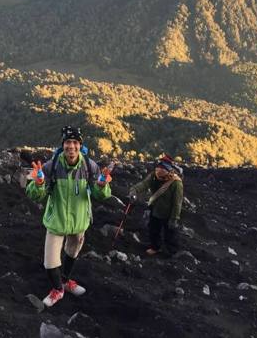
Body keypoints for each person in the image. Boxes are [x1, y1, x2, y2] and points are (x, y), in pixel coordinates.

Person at [25, 126, 112, 308]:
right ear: (62, 145)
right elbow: (35, 195)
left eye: (75, 142)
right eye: (67, 142)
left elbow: (99, 195)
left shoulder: (89, 166)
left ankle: (65, 280)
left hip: (79, 221)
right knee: (50, 262)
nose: (71, 146)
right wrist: (39, 183)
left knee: (72, 253)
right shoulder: (52, 166)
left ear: (80, 145)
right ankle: (58, 289)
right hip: (56, 220)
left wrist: (102, 184)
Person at [129, 154, 183, 256]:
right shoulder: (154, 176)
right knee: (153, 229)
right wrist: (134, 190)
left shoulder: (176, 183)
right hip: (155, 209)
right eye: (158, 168)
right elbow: (144, 184)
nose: (159, 171)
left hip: (168, 213)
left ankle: (171, 252)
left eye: (163, 169)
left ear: (169, 170)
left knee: (170, 234)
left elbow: (177, 203)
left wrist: (174, 218)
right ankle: (155, 247)